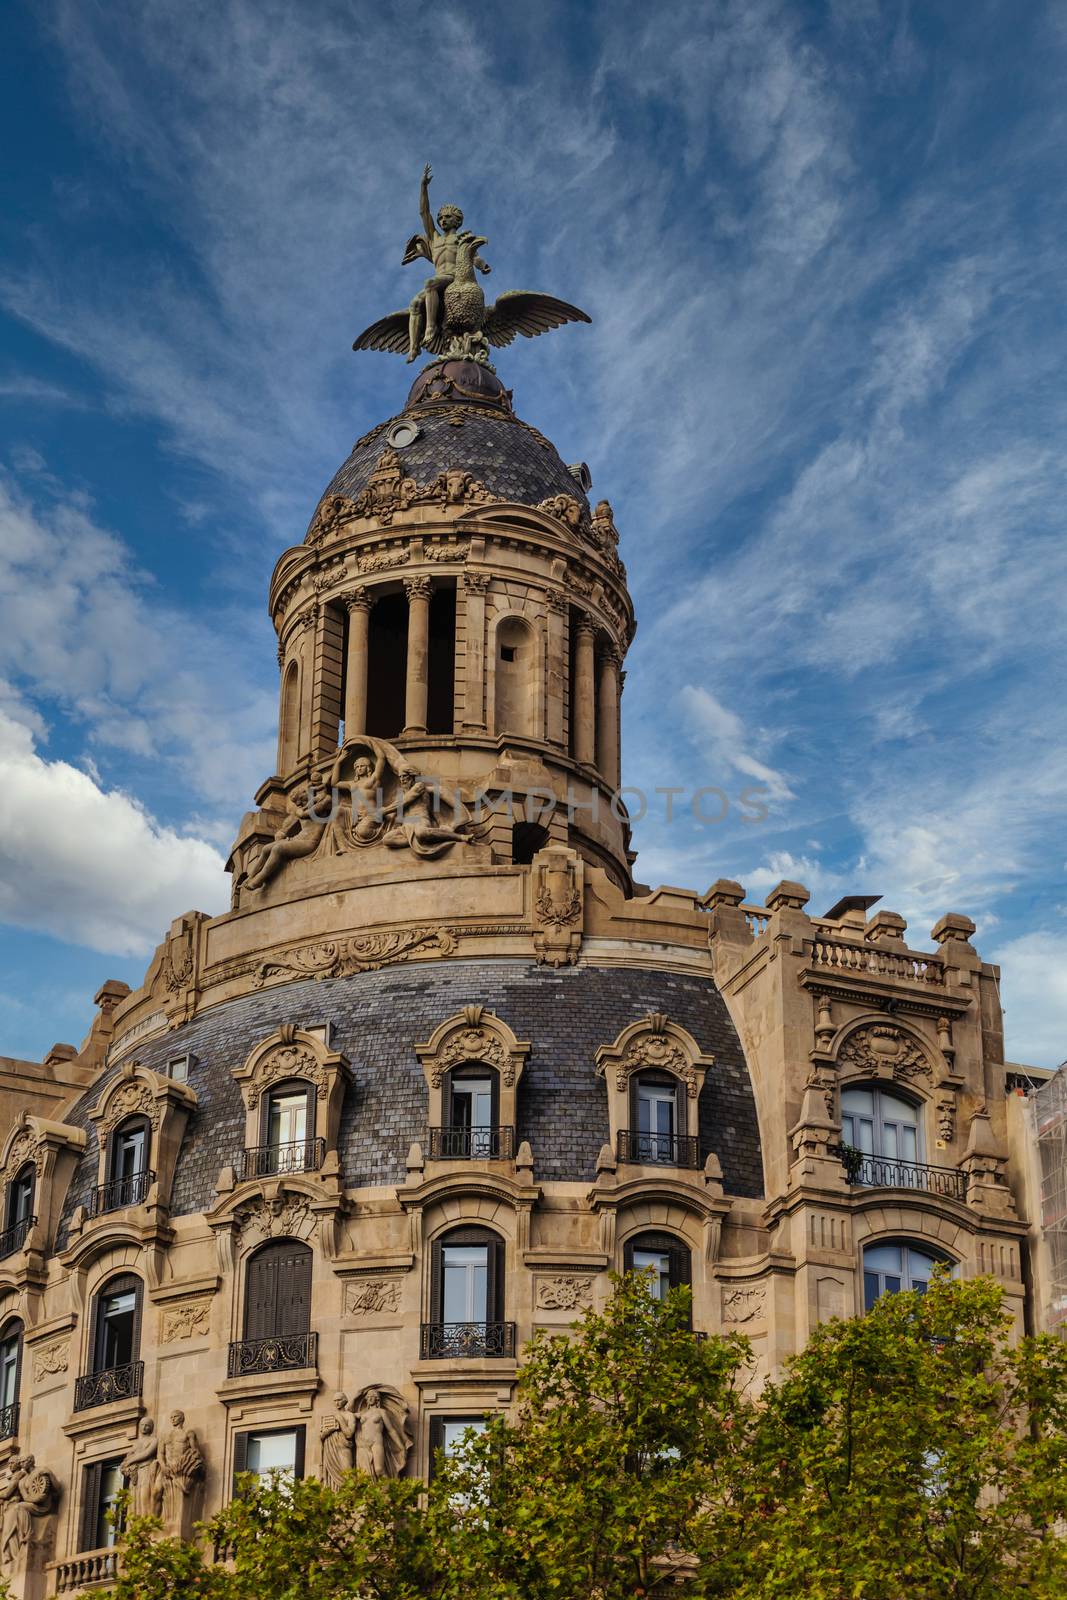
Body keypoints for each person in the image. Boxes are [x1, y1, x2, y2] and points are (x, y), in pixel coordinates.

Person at [403, 164, 490, 361]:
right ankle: (414, 347)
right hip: (438, 282)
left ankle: (431, 327)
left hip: (456, 278)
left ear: (457, 221)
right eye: (441, 217)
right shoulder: (434, 238)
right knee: (415, 303)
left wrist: (482, 265)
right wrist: (423, 187)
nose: (442, 220)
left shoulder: (459, 240)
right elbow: (424, 213)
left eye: (447, 217)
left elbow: (472, 255)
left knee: (429, 283)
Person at [120, 1417, 162, 1519]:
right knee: (135, 1498)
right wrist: (127, 1463)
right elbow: (129, 1455)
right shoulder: (136, 1443)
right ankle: (138, 1522)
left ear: (151, 1428)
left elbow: (147, 1454)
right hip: (136, 1474)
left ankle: (146, 1521)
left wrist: (130, 1461)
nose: (144, 1427)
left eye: (147, 1425)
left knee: (145, 1496)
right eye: (142, 1425)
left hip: (146, 1470)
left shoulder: (154, 1440)